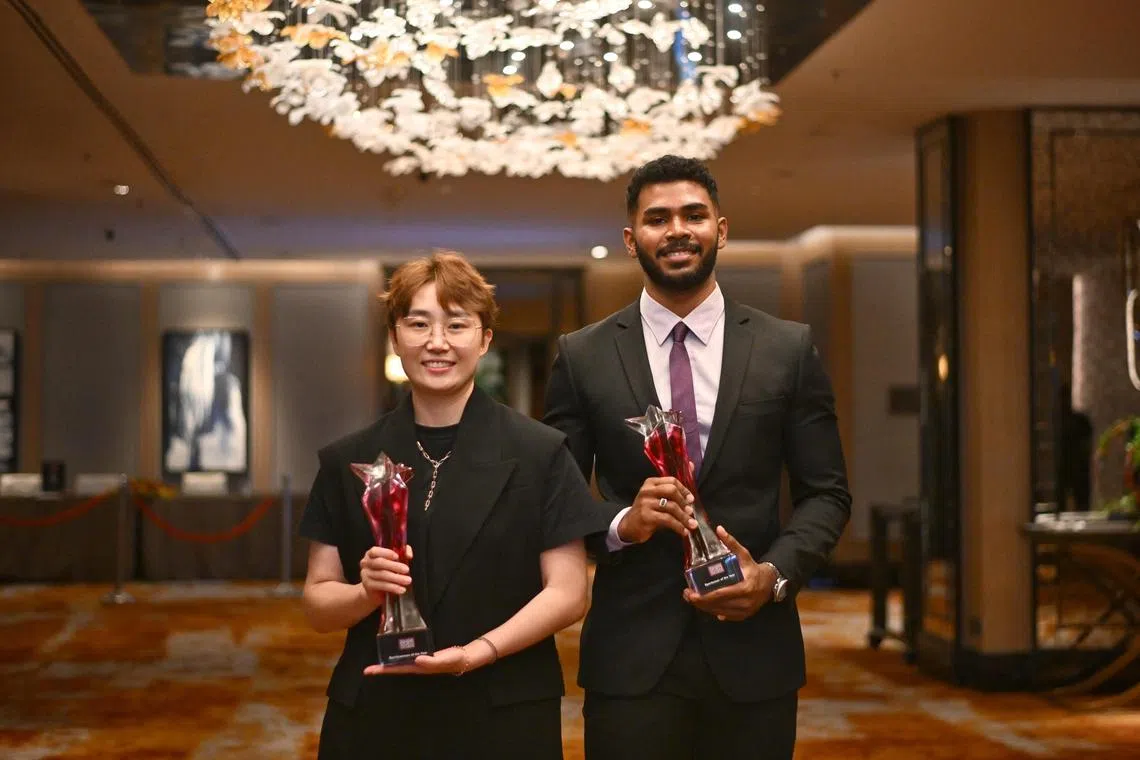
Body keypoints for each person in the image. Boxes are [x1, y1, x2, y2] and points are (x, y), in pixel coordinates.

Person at [543, 155, 852, 759]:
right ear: (632, 240)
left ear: (722, 229)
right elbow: (555, 497)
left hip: (754, 649)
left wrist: (772, 576)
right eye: (658, 219)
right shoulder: (583, 356)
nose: (678, 229)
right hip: (631, 659)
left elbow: (827, 493)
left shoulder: (786, 349)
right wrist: (620, 525)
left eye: (694, 215)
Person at [300, 251, 610, 759]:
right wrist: (364, 593)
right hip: (379, 712)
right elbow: (317, 603)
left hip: (503, 708)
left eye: (457, 325)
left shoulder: (540, 452)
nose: (437, 342)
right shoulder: (347, 460)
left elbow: (570, 592)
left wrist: (475, 653)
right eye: (418, 324)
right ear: (395, 337)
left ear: (485, 339)